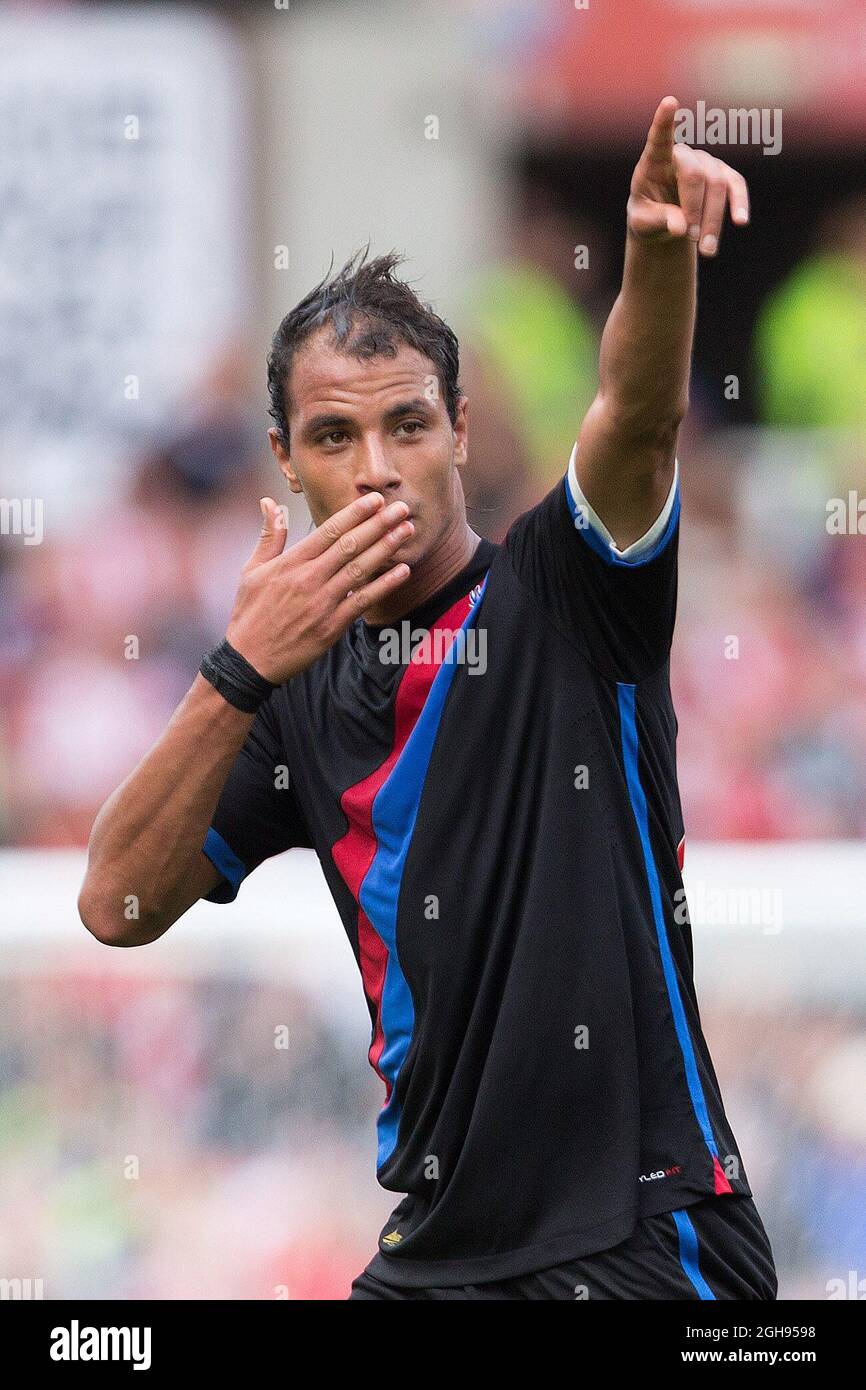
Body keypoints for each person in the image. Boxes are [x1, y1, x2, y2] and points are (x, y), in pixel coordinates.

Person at [79, 98, 777, 1301]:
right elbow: (116, 904)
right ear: (283, 458)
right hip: (442, 1250)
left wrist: (655, 255)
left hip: (639, 1236)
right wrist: (236, 674)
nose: (376, 469)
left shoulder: (563, 594)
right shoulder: (285, 692)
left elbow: (637, 417)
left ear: (457, 430)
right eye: (333, 436)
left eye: (406, 423)